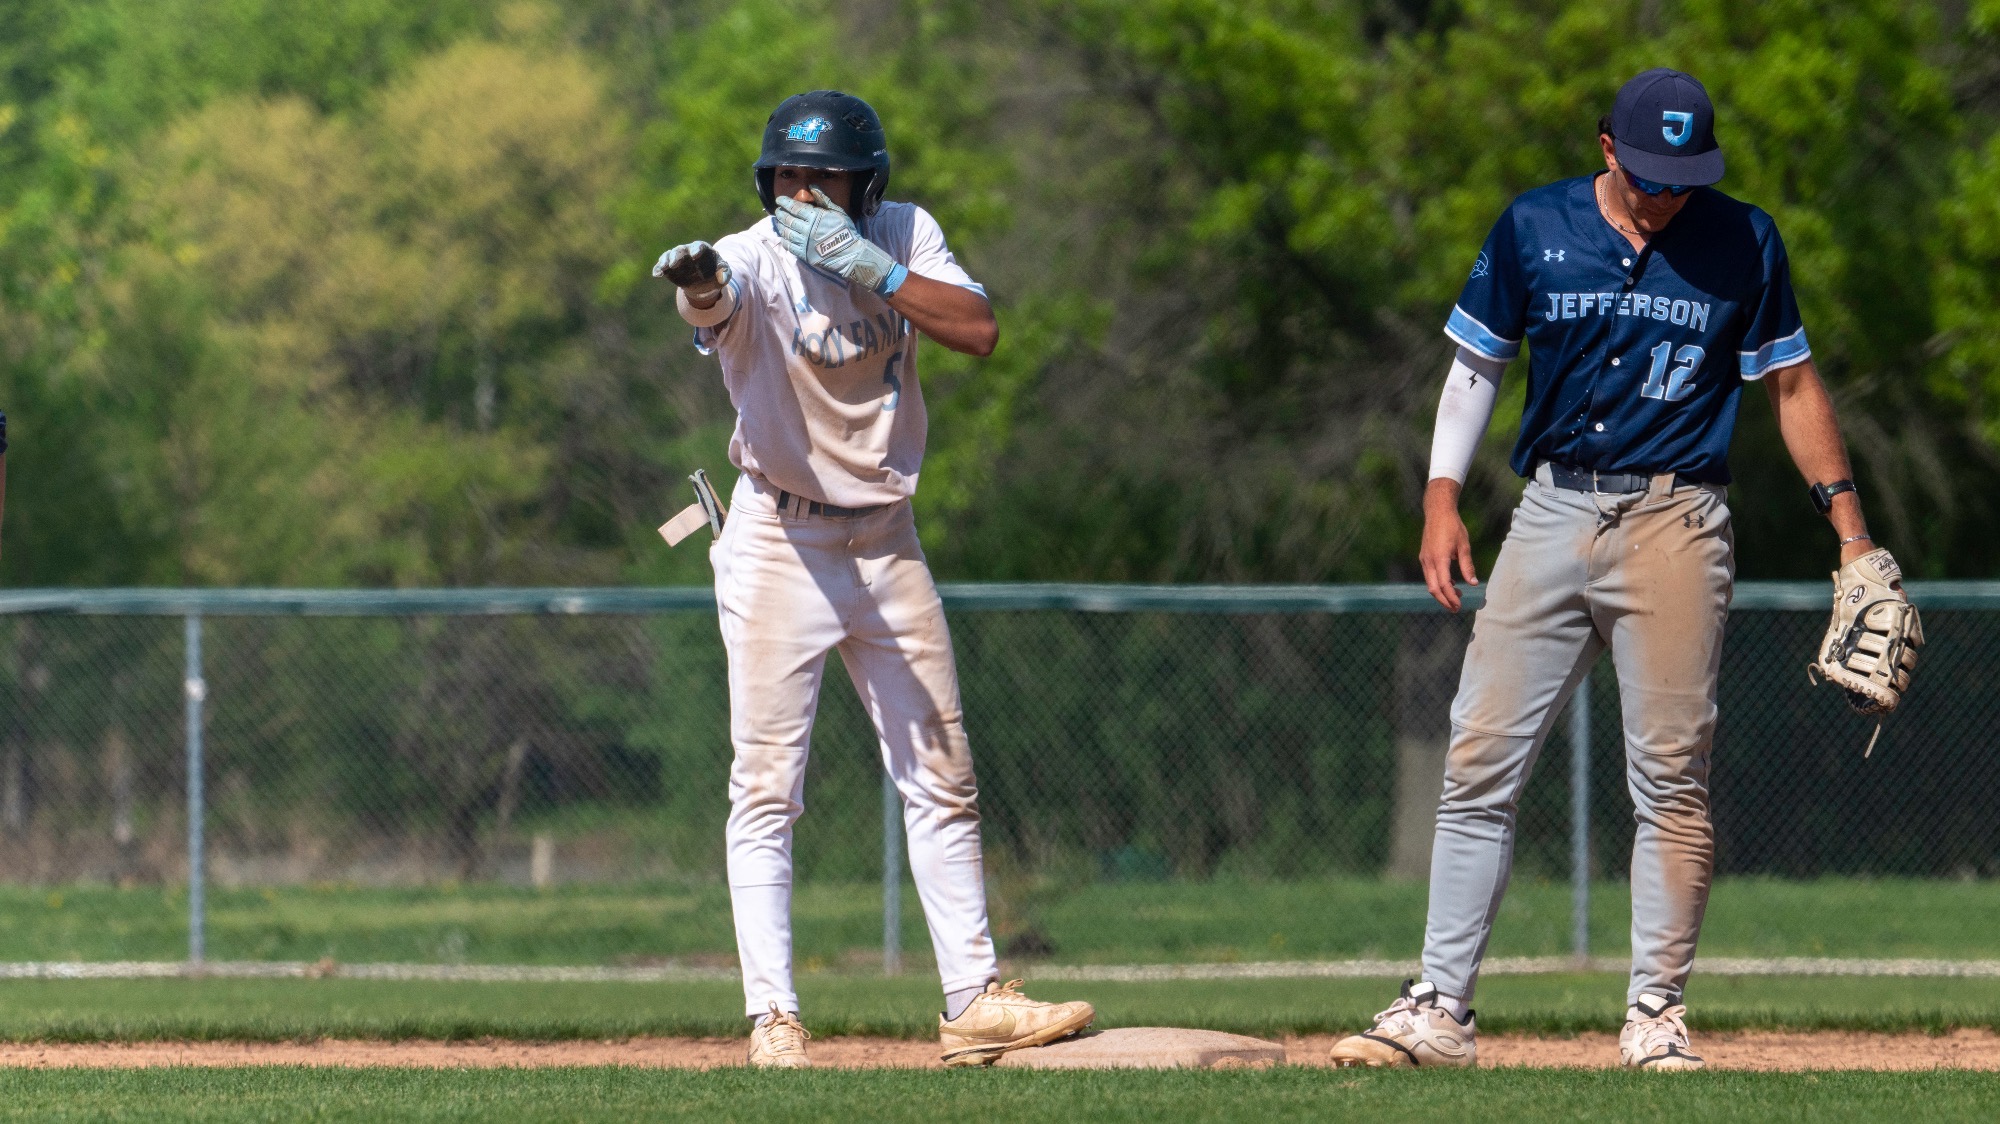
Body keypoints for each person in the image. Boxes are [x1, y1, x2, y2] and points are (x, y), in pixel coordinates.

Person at [1328, 68, 1892, 1070]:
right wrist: (1439, 494)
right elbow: (1475, 362)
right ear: (1604, 148)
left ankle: (1652, 1014)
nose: (1663, 193)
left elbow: (1792, 382)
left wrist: (1849, 532)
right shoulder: (1533, 226)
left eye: (1682, 176)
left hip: (1678, 514)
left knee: (1669, 778)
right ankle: (1437, 1007)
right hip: (1549, 507)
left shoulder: (1740, 240)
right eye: (1646, 173)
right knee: (1475, 762)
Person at [652, 90, 1094, 1069]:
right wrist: (695, 285)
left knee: (943, 774)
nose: (801, 194)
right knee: (766, 788)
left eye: (823, 178)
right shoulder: (753, 255)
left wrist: (875, 267)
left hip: (887, 538)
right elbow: (714, 300)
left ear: (868, 185)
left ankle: (972, 998)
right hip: (779, 539)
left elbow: (977, 331)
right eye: (785, 177)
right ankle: (773, 1013)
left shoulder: (901, 232)